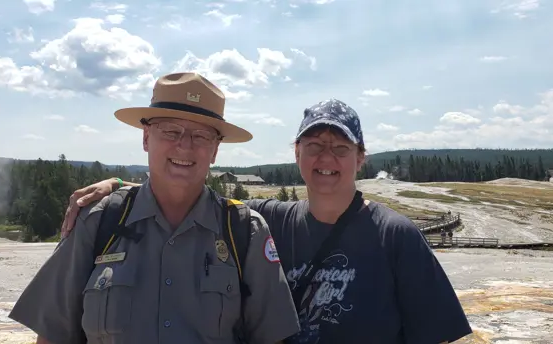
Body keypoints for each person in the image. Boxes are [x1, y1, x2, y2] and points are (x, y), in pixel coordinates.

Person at [60, 99, 473, 343]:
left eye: (339, 147)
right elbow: (192, 193)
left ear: (361, 158)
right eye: (314, 145)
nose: (325, 158)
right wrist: (120, 185)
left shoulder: (395, 236)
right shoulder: (266, 221)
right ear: (296, 153)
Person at [8, 72, 300, 344]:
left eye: (201, 136)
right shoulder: (98, 222)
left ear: (215, 150)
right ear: (146, 138)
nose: (184, 145)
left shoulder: (244, 231)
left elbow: (272, 337)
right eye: (170, 131)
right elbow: (52, 335)